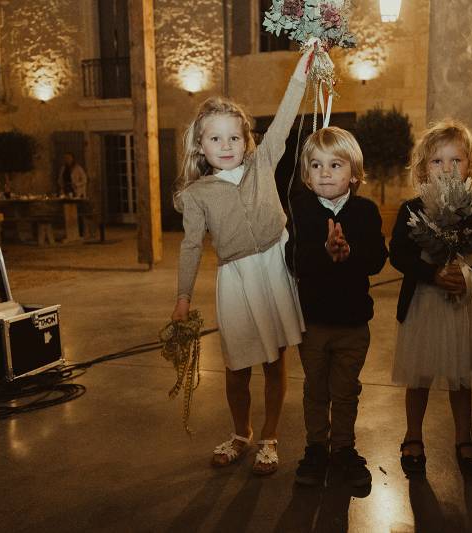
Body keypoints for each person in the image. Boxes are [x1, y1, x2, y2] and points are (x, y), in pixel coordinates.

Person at [170, 47, 315, 476]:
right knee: (237, 366)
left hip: (275, 270)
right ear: (200, 145)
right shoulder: (196, 194)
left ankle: (269, 436)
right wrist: (182, 297)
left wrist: (302, 69)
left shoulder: (263, 162)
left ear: (247, 139)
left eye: (234, 137)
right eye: (215, 139)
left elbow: (286, 115)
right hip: (236, 279)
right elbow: (190, 246)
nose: (226, 146)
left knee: (274, 360)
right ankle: (241, 433)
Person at [389, 120, 472, 478]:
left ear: (470, 165)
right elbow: (398, 254)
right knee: (419, 375)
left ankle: (464, 437)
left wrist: (471, 275)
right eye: (437, 161)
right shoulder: (412, 209)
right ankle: (413, 435)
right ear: (423, 168)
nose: (446, 169)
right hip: (425, 304)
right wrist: (433, 274)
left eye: (455, 160)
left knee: (461, 376)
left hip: (464, 305)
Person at [284, 127, 388, 487]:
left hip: (353, 322)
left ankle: (343, 448)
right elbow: (292, 259)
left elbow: (377, 259)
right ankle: (316, 448)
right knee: (315, 388)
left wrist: (349, 251)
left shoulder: (365, 211)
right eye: (316, 165)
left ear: (354, 174)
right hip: (313, 321)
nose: (325, 173)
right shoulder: (300, 210)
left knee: (345, 390)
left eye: (335, 165)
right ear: (306, 174)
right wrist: (324, 251)